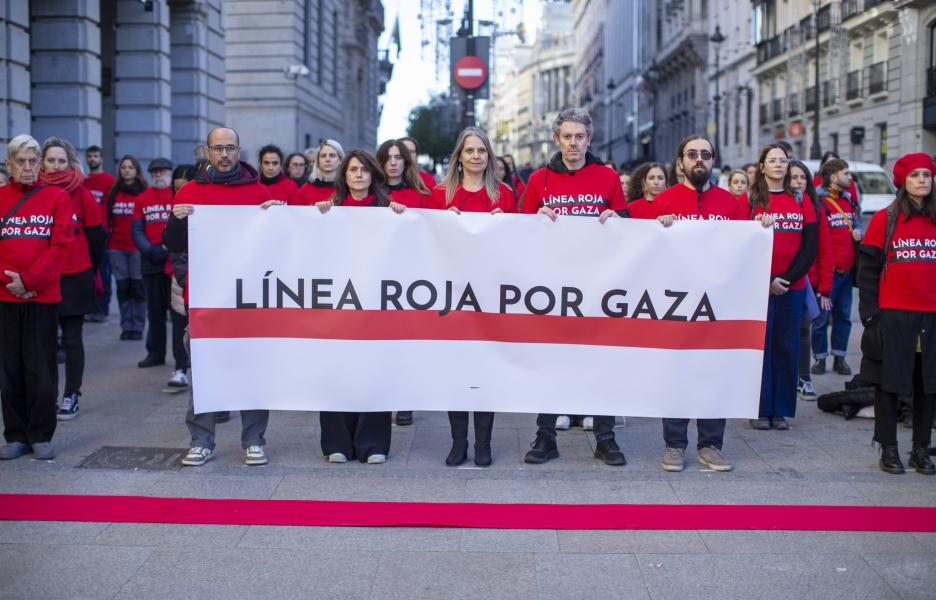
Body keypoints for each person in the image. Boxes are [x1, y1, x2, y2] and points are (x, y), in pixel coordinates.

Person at [654, 134, 774, 472]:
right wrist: (657, 227)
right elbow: (648, 253)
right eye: (692, 154)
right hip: (676, 305)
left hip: (719, 304)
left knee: (715, 373)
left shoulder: (731, 203)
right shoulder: (664, 201)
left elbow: (743, 246)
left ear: (713, 161)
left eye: (705, 155)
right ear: (681, 161)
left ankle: (710, 445)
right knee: (676, 375)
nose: (699, 160)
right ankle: (674, 445)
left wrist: (761, 228)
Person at [519, 107, 628, 467]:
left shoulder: (607, 177)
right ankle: (545, 437)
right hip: (554, 287)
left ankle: (606, 439)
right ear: (556, 139)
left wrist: (617, 218)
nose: (573, 143)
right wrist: (535, 219)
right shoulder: (539, 180)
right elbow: (521, 231)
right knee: (552, 361)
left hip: (599, 286)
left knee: (603, 361)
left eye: (579, 136)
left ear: (589, 139)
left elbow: (626, 226)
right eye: (567, 136)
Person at [163, 127, 274, 467]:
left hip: (249, 299)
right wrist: (177, 220)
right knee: (204, 372)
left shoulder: (259, 193)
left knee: (253, 370)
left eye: (230, 148)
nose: (224, 154)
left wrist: (276, 218)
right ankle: (201, 441)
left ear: (239, 150)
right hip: (206, 299)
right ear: (207, 152)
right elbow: (173, 244)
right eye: (218, 148)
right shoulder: (190, 191)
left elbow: (275, 246)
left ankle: (253, 440)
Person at [425, 127, 513, 466]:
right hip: (452, 295)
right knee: (456, 370)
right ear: (459, 157)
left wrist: (506, 225)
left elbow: (520, 245)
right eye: (470, 150)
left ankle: (484, 444)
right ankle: (458, 442)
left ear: (489, 156)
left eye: (481, 150)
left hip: (491, 295)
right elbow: (423, 238)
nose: (476, 156)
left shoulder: (504, 195)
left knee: (486, 370)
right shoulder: (440, 194)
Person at [313, 149, 404, 464]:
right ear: (345, 175)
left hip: (376, 306)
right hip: (338, 306)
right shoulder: (329, 210)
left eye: (364, 170)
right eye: (353, 169)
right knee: (336, 371)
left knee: (374, 371)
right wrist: (314, 218)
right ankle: (337, 442)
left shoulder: (388, 210)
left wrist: (403, 219)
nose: (359, 175)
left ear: (374, 175)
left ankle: (372, 443)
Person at [858, 153, 936, 475]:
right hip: (893, 316)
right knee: (889, 386)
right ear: (903, 181)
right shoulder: (885, 218)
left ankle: (921, 450)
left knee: (928, 387)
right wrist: (870, 315)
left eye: (927, 175)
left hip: (931, 317)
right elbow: (867, 269)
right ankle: (888, 448)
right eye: (915, 175)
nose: (922, 180)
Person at [0, 134, 74, 460]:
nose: (28, 167)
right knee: (9, 369)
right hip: (6, 297)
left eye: (33, 161)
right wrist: (12, 282)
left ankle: (41, 434)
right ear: (9, 164)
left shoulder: (58, 197)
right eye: (21, 161)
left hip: (42, 297)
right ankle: (16, 434)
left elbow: (61, 247)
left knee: (40, 368)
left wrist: (30, 280)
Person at [744, 145, 817, 430]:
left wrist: (785, 279)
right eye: (772, 160)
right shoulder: (750, 200)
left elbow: (809, 246)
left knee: (786, 347)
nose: (778, 164)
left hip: (792, 287)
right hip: (758, 286)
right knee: (761, 348)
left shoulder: (801, 199)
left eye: (783, 160)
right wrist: (768, 280)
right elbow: (742, 244)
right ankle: (760, 409)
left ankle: (781, 410)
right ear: (762, 166)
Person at [38, 138, 106, 422]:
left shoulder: (83, 194)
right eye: (51, 161)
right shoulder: (35, 192)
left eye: (61, 161)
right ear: (42, 163)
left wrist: (89, 268)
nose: (56, 166)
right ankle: (47, 396)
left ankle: (71, 395)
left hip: (75, 275)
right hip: (42, 277)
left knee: (72, 339)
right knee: (44, 342)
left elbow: (97, 238)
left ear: (70, 163)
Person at [132, 157, 190, 389]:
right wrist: (151, 250)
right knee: (155, 311)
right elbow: (137, 229)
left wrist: (166, 248)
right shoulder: (143, 198)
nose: (158, 175)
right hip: (152, 262)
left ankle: (182, 362)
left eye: (162, 171)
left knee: (178, 316)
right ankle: (155, 352)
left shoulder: (179, 196)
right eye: (154, 172)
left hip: (175, 264)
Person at [811, 157, 861, 376]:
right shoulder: (819, 202)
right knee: (821, 320)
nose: (850, 178)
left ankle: (840, 358)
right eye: (846, 174)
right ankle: (820, 359)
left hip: (846, 273)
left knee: (843, 317)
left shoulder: (848, 200)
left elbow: (856, 225)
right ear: (833, 177)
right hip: (828, 274)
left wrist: (858, 232)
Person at [791, 160, 832, 402]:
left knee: (804, 329)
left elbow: (825, 249)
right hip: (782, 279)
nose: (798, 182)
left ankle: (804, 379)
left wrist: (825, 287)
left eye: (802, 177)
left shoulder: (817, 208)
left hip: (809, 281)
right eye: (794, 177)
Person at [107, 156, 147, 340]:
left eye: (130, 167)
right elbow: (108, 219)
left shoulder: (143, 192)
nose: (127, 170)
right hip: (117, 247)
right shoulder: (114, 192)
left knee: (137, 288)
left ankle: (137, 326)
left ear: (136, 170)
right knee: (123, 289)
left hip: (136, 248)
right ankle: (126, 326)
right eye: (123, 167)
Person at [83, 145, 116, 323]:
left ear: (101, 158)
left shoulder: (110, 181)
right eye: (90, 156)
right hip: (83, 234)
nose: (93, 159)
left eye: (96, 156)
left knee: (103, 272)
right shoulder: (83, 181)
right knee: (88, 273)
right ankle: (89, 307)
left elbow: (112, 209)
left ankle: (102, 309)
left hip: (102, 234)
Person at [376, 139, 431, 209]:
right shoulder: (371, 194)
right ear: (381, 162)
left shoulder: (422, 196)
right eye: (387, 158)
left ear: (405, 162)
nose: (393, 163)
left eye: (398, 157)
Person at [297, 139, 344, 205]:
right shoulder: (305, 190)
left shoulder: (348, 189)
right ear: (318, 161)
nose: (327, 159)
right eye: (323, 156)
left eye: (332, 155)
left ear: (340, 160)